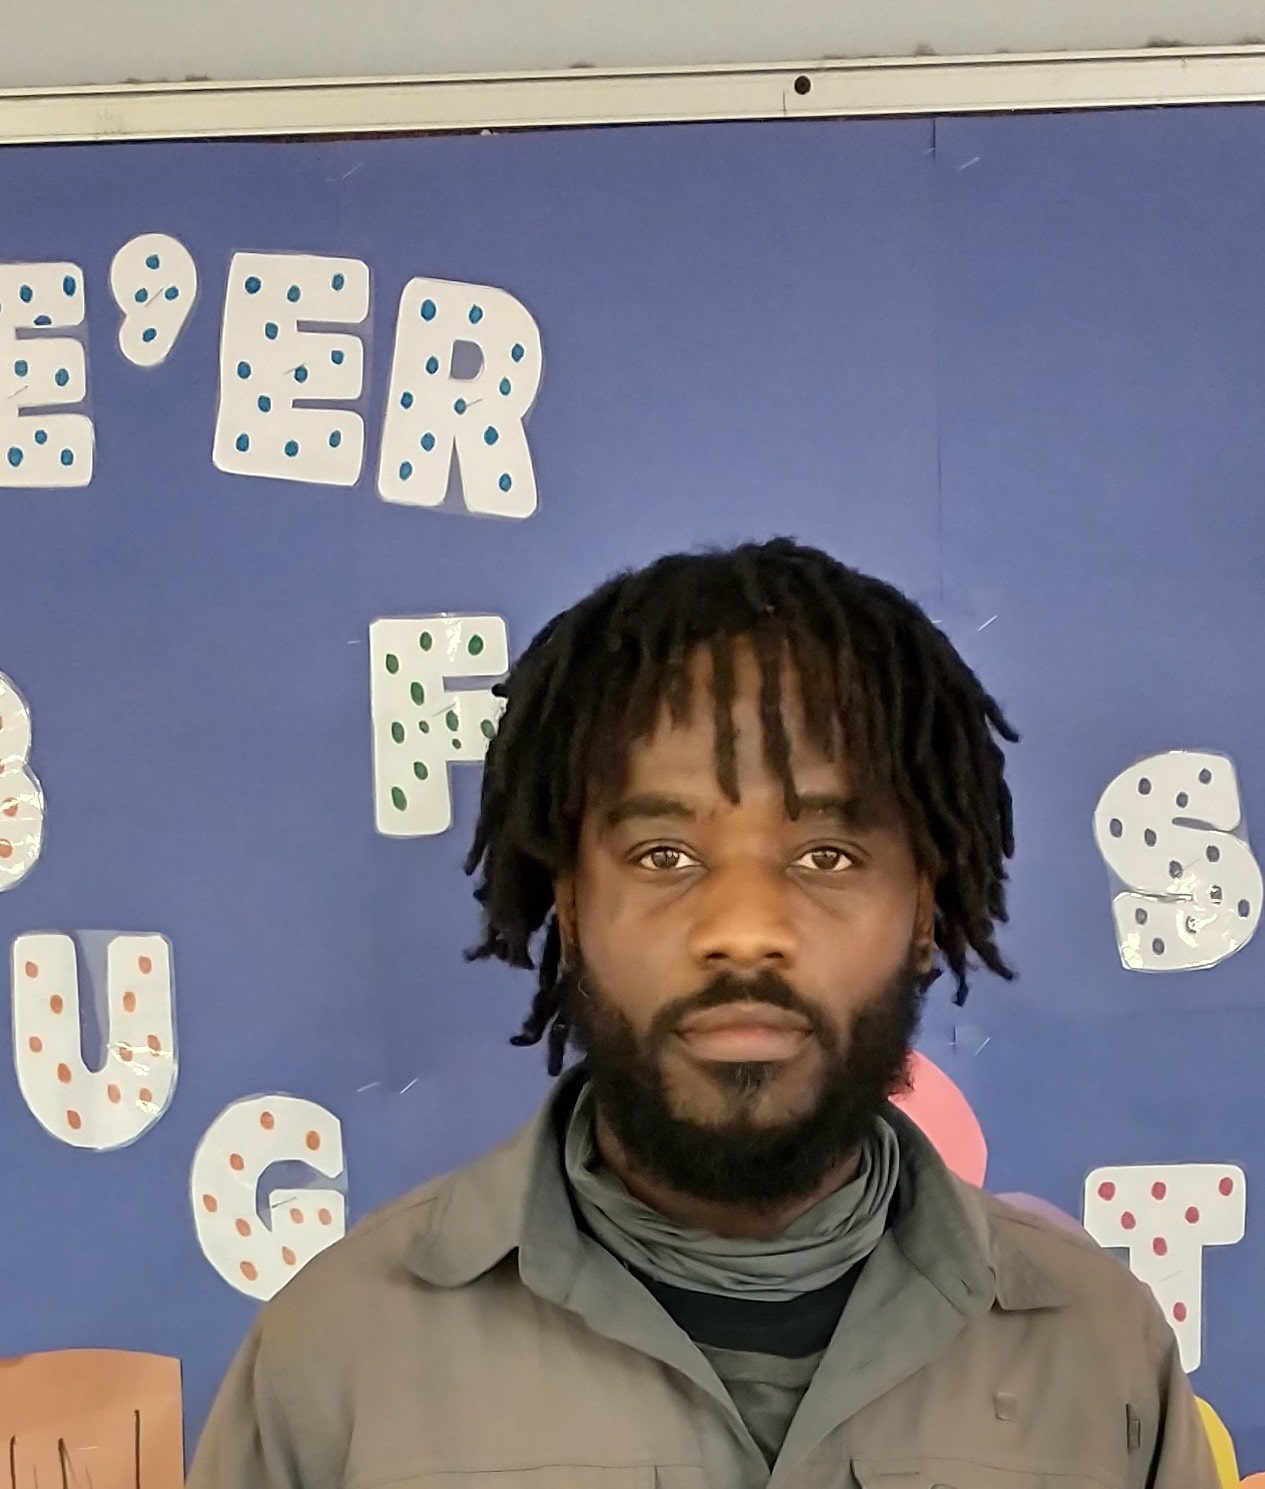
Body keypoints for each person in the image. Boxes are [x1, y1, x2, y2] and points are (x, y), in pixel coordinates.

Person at [189, 537, 1217, 1488]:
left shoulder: (1097, 1353)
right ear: (570, 908)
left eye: (827, 855)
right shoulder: (338, 1356)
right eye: (663, 854)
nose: (743, 930)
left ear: (922, 911)